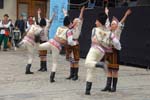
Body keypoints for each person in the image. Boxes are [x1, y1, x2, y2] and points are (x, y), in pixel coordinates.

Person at [85, 12, 121, 95]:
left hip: (94, 49)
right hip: (102, 52)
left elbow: (92, 40)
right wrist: (118, 48)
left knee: (87, 63)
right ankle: (87, 90)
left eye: (96, 21)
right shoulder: (109, 33)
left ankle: (101, 64)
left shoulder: (95, 29)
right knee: (91, 69)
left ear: (99, 21)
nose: (95, 22)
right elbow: (117, 43)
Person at [101, 7, 132, 92]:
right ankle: (108, 85)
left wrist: (126, 15)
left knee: (114, 70)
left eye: (113, 24)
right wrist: (106, 13)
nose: (111, 25)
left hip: (114, 51)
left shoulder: (117, 31)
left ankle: (113, 87)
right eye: (111, 24)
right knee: (108, 69)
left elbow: (121, 22)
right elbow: (107, 22)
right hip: (108, 51)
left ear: (116, 25)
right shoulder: (108, 30)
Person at [38, 15, 72, 83]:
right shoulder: (68, 31)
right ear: (69, 23)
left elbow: (55, 36)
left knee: (40, 47)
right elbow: (70, 41)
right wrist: (64, 42)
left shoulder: (59, 27)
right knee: (54, 63)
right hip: (57, 46)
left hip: (51, 41)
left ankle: (29, 43)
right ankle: (52, 77)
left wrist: (58, 39)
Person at [65, 6, 85, 81]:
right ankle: (71, 74)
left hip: (75, 43)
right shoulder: (71, 27)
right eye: (74, 21)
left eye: (76, 21)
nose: (74, 21)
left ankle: (76, 75)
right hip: (70, 44)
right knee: (71, 60)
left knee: (75, 60)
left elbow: (80, 18)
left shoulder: (78, 27)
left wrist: (82, 11)